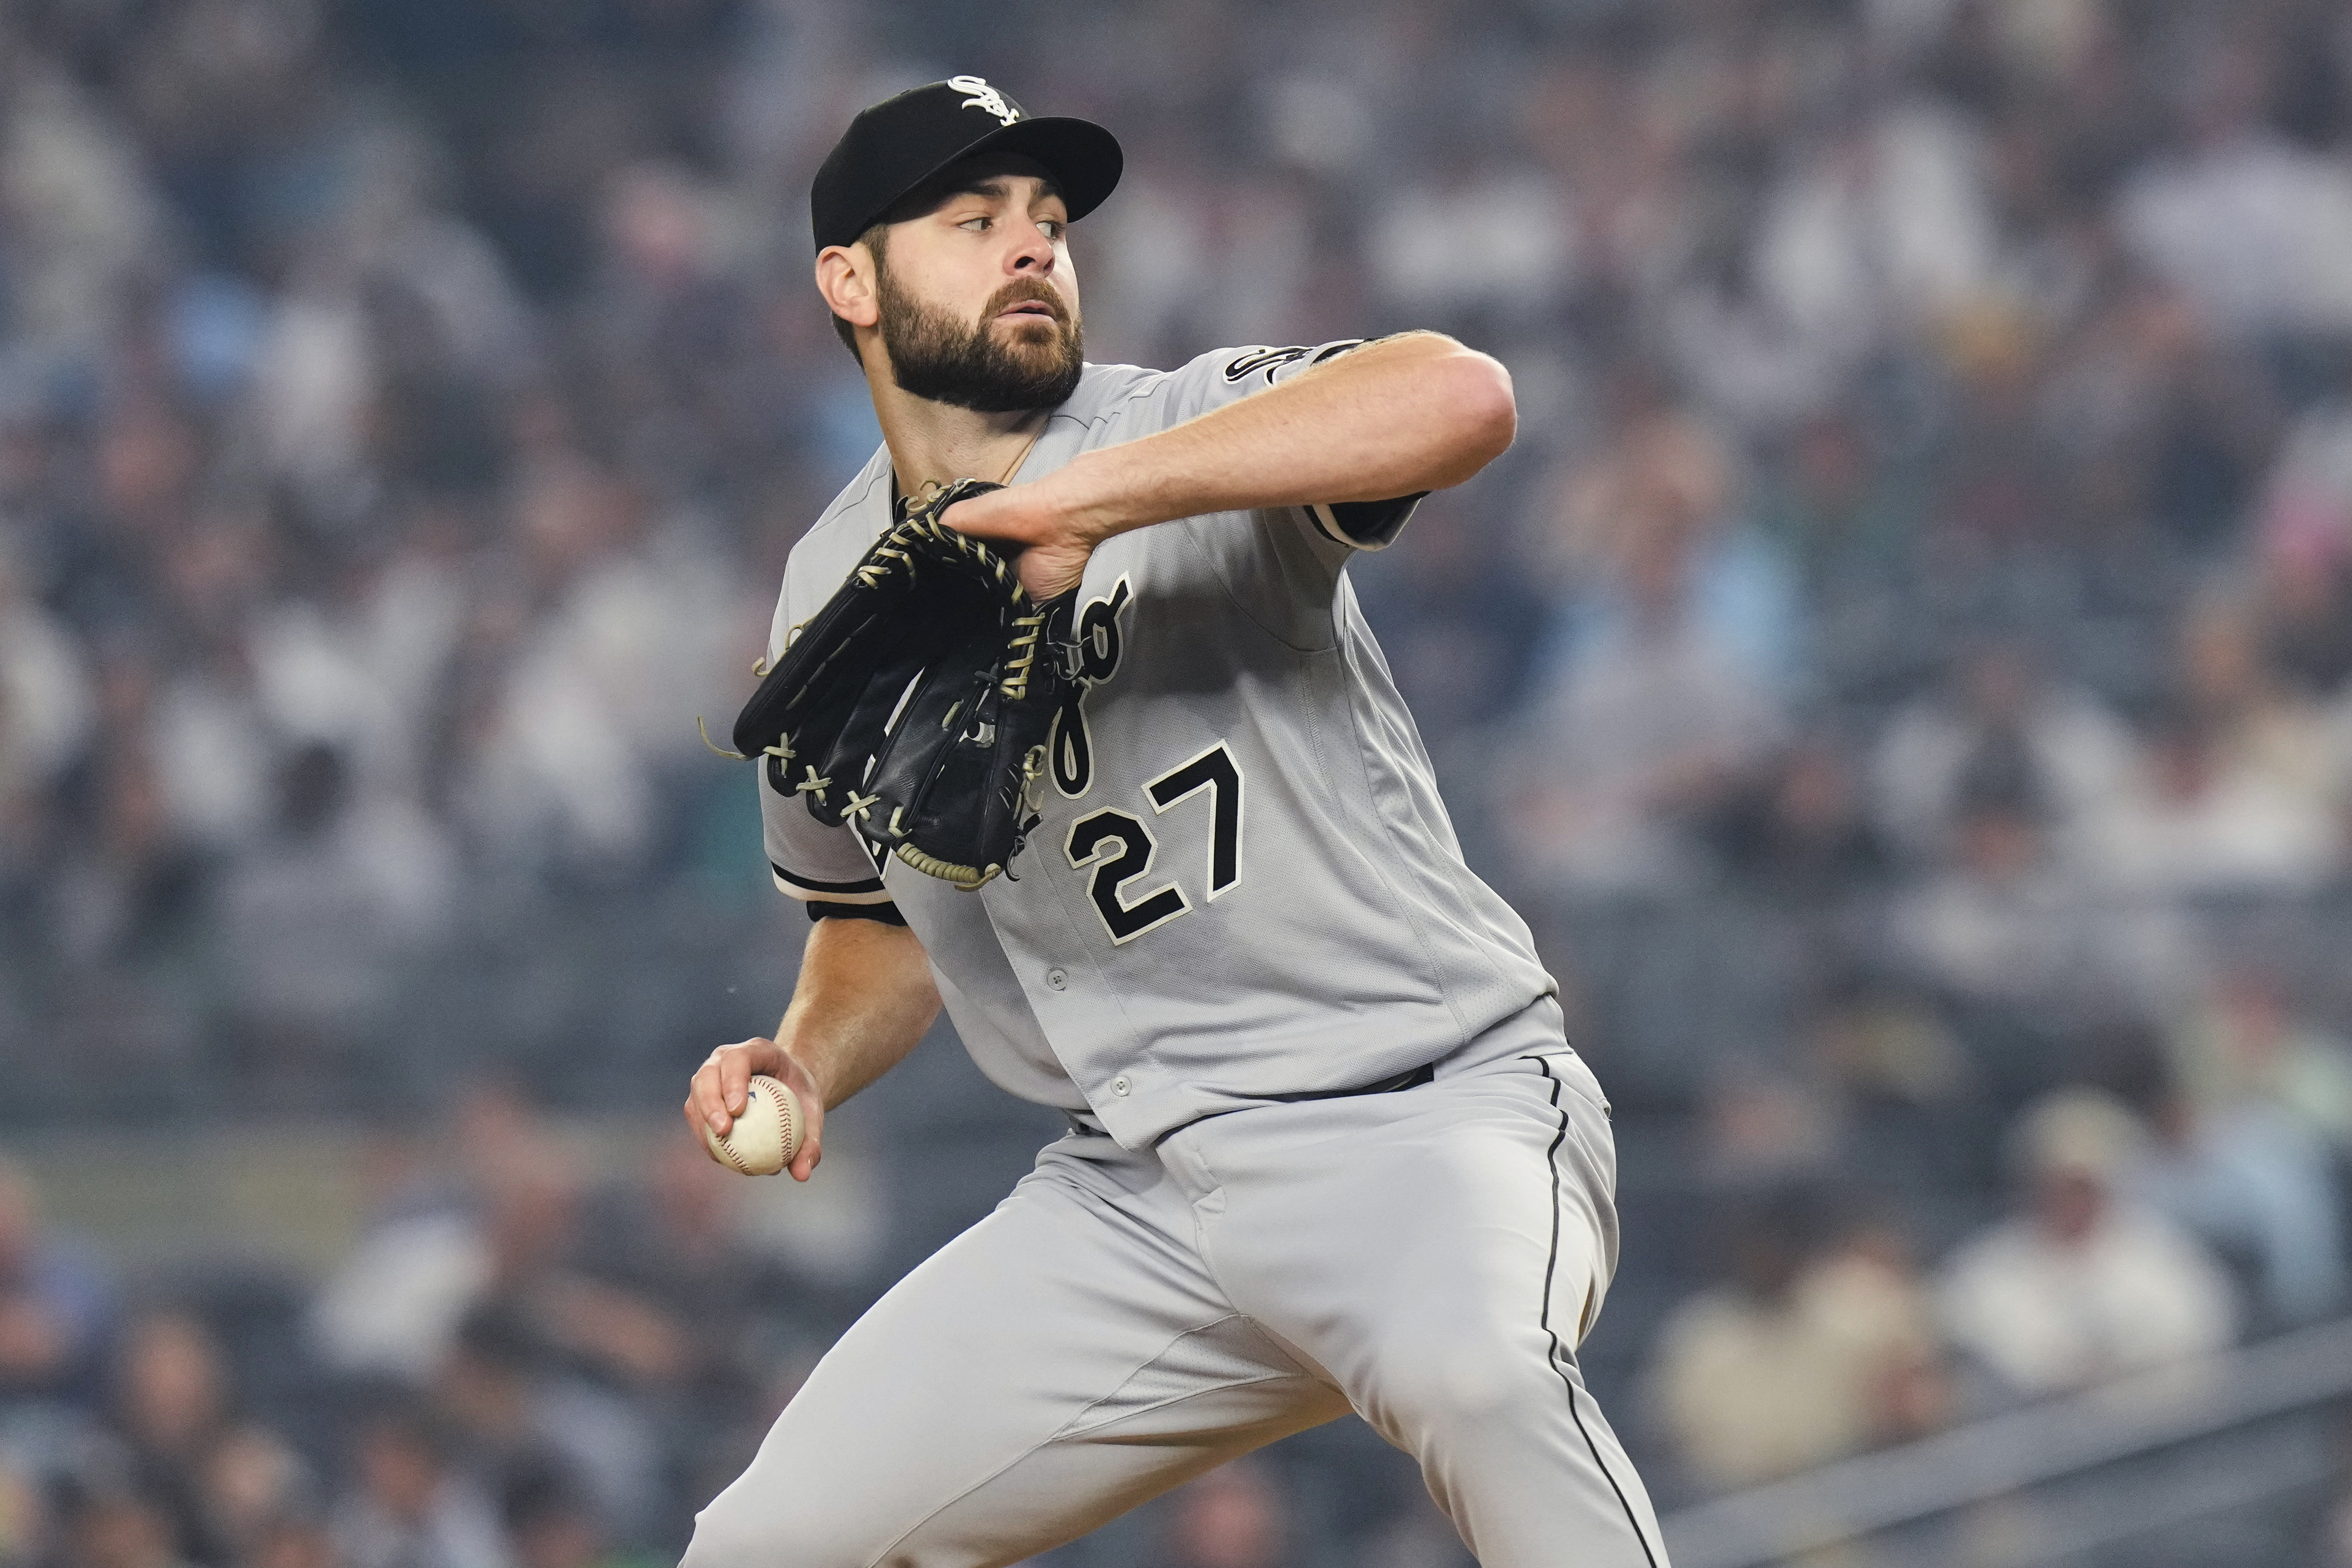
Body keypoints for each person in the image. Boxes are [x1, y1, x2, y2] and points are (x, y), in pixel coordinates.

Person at [680, 79, 1662, 1568]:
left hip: (1417, 1107)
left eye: (1049, 223)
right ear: (848, 281)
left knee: (1485, 1377)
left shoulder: (1185, 425)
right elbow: (877, 924)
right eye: (972, 221)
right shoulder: (832, 591)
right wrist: (803, 1056)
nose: (1030, 248)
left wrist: (1093, 502)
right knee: (770, 1545)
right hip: (1137, 1192)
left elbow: (1460, 399)